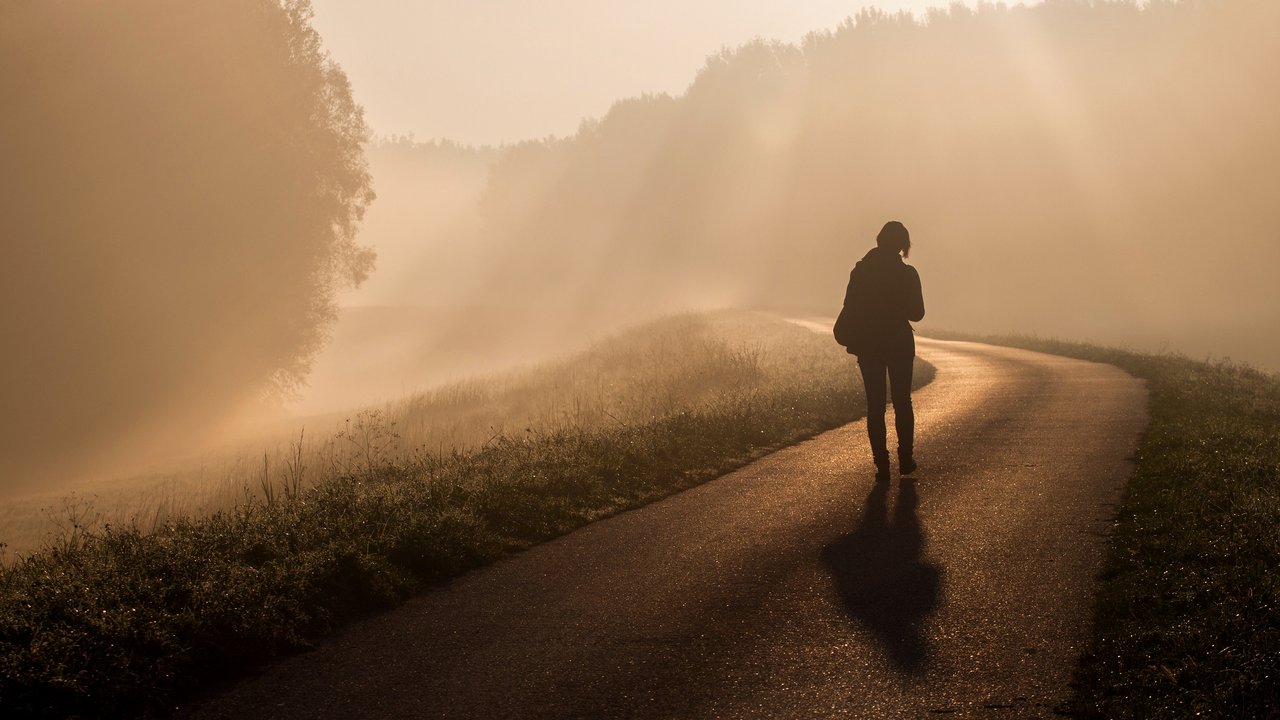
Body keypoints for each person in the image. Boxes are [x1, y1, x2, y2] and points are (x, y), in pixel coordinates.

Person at [835, 221, 925, 477]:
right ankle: (905, 459)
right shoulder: (908, 274)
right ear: (902, 245)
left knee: (875, 405)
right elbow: (918, 313)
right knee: (902, 401)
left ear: (879, 240)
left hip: (869, 343)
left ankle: (882, 464)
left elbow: (848, 305)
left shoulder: (861, 271)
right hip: (899, 342)